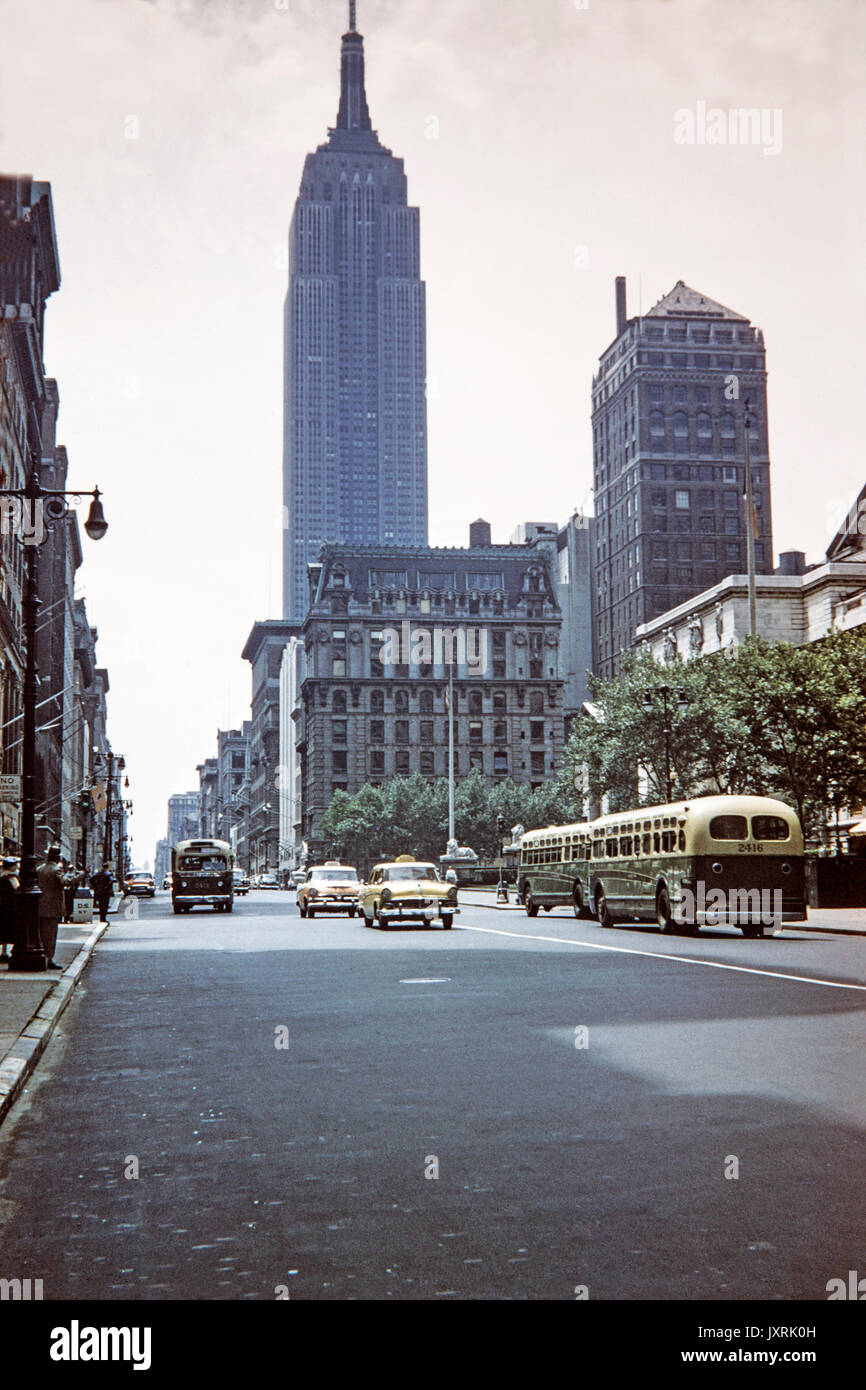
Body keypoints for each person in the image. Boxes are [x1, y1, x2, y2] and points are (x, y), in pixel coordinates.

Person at [36, 845, 65, 969]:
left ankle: (43, 957)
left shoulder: (39, 869)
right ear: (57, 857)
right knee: (51, 935)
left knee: (41, 935)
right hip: (52, 907)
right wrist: (81, 875)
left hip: (40, 906)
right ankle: (49, 959)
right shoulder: (56, 870)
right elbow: (65, 882)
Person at [0, 856, 18, 964]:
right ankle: (9, 952)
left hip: (1, 905)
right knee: (10, 928)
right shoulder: (12, 877)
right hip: (10, 906)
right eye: (15, 865)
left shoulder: (1, 876)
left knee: (2, 929)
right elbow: (17, 888)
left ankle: (3, 952)